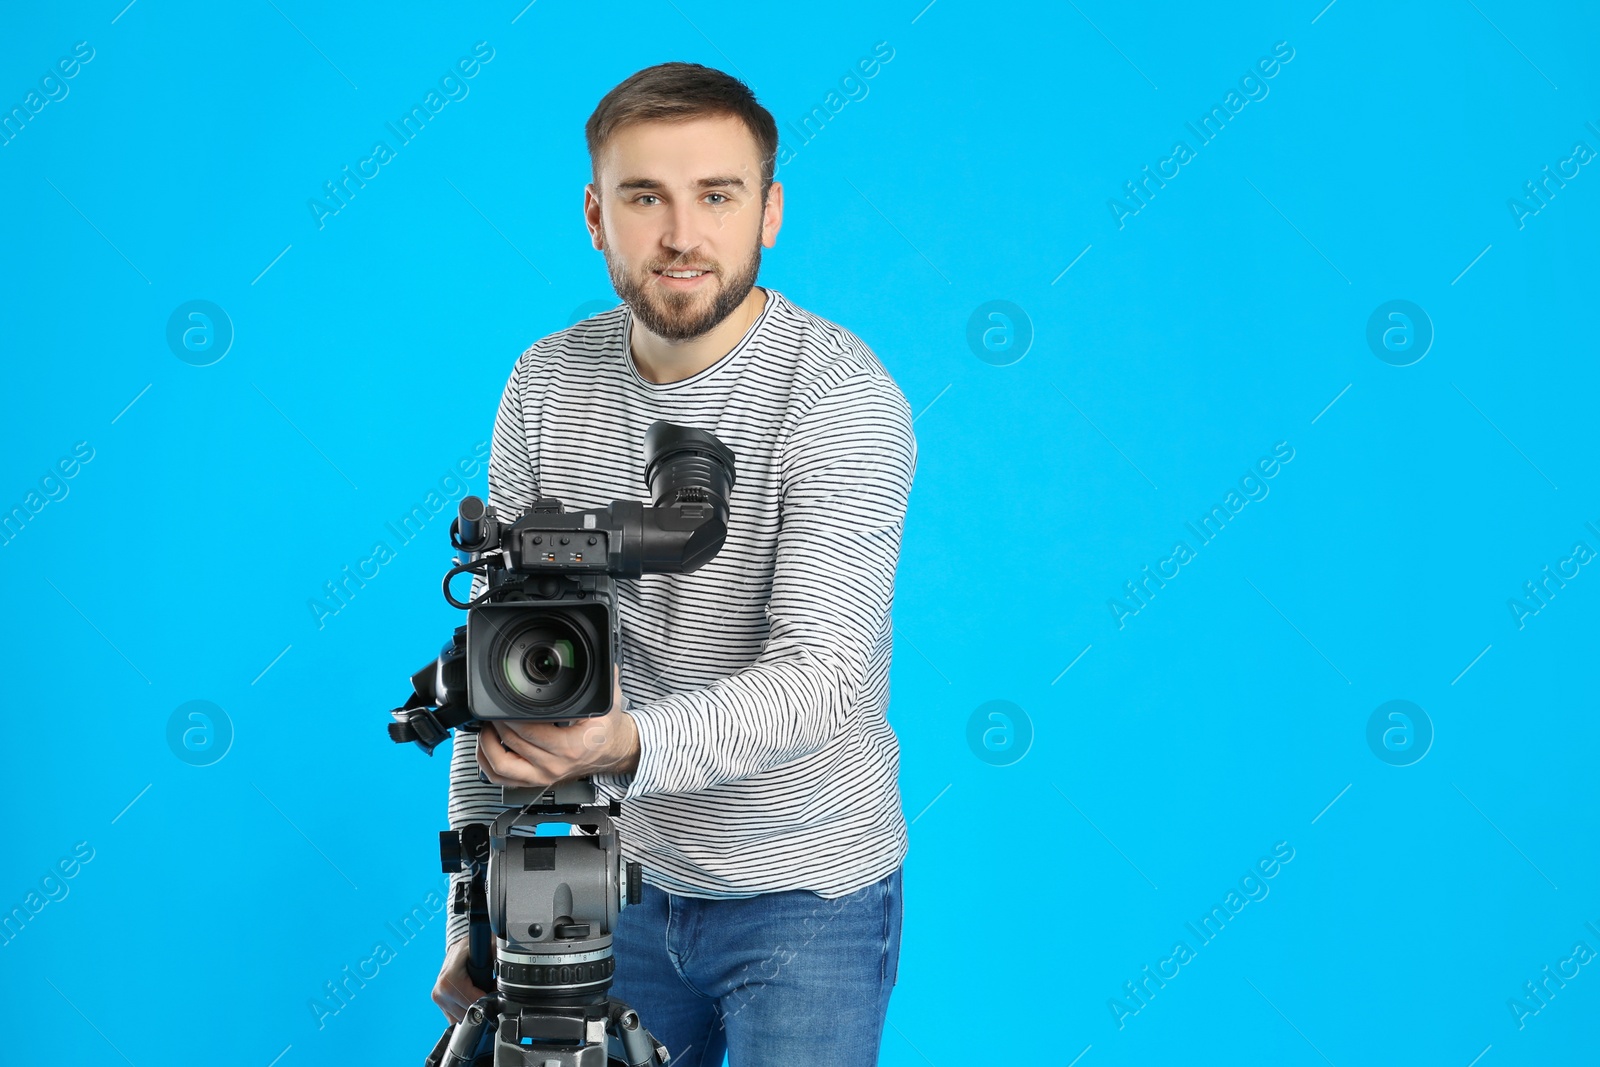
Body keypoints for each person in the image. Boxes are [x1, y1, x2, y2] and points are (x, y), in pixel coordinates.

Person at [432, 61, 916, 1067]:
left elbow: (822, 678)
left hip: (802, 887)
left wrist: (618, 744)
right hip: (601, 875)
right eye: (644, 196)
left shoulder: (840, 397)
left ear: (769, 212)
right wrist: (472, 909)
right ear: (595, 215)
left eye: (716, 195)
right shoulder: (544, 380)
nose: (682, 233)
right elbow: (503, 661)